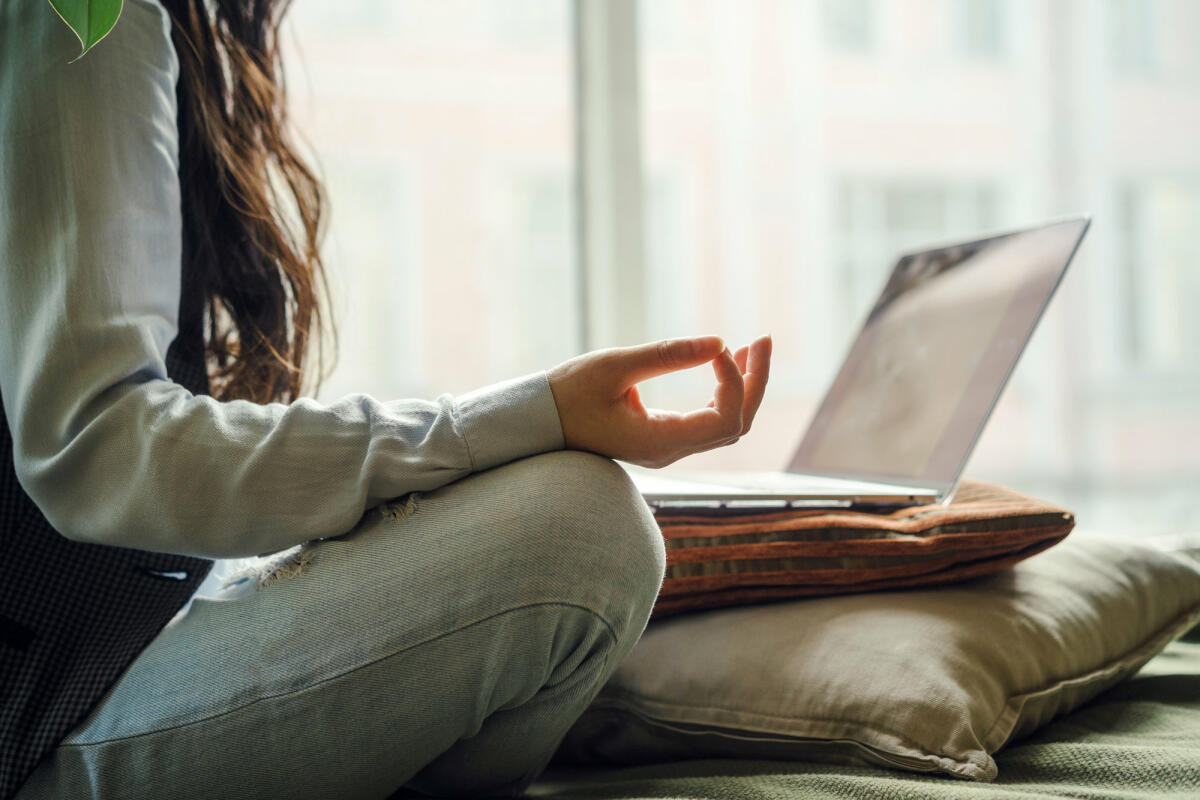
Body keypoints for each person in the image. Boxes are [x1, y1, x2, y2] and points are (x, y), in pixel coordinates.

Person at [0, 1, 772, 797]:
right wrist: (531, 416)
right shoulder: (85, 16)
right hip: (40, 725)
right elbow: (93, 447)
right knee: (584, 532)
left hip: (133, 644)